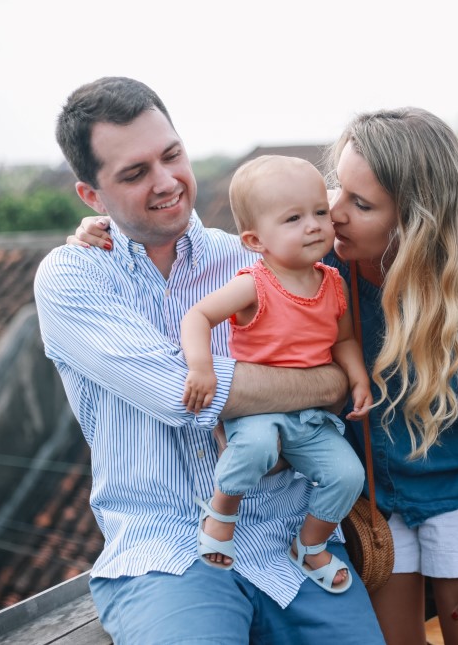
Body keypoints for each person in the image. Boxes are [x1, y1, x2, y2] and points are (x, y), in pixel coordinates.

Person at [71, 106, 458, 645]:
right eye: (337, 190)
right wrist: (103, 225)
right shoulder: (329, 245)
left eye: (361, 203)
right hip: (377, 495)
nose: (334, 214)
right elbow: (263, 234)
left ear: (414, 218)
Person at [36, 76, 385, 644]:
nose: (166, 182)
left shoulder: (253, 256)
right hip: (167, 551)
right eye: (134, 173)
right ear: (91, 197)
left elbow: (350, 332)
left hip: (293, 543)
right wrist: (324, 385)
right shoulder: (75, 275)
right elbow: (180, 392)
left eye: (171, 155)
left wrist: (327, 382)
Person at [181, 154, 370, 594]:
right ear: (254, 239)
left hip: (311, 418)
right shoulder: (255, 284)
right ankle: (221, 512)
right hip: (259, 412)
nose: (314, 225)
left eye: (320, 212)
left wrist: (358, 378)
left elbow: (342, 340)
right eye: (293, 218)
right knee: (255, 448)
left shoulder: (332, 283)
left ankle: (310, 544)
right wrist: (201, 367)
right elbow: (197, 317)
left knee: (348, 474)